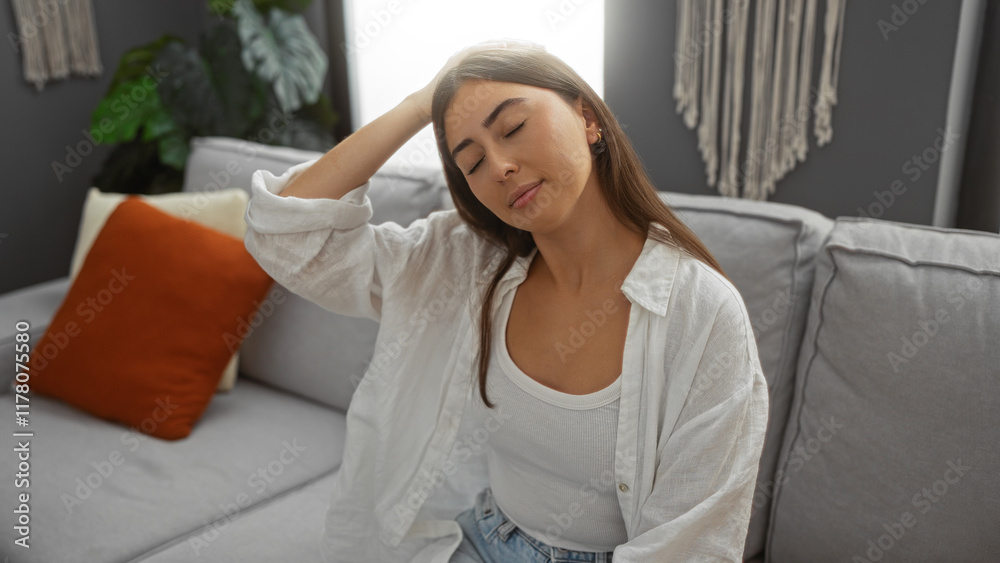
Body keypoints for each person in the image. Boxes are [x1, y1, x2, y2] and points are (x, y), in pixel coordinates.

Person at [243, 40, 769, 563]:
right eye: (471, 162)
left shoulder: (702, 313)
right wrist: (421, 105)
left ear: (588, 119)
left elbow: (689, 546)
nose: (498, 167)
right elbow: (289, 238)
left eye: (513, 128)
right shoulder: (469, 263)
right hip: (480, 538)